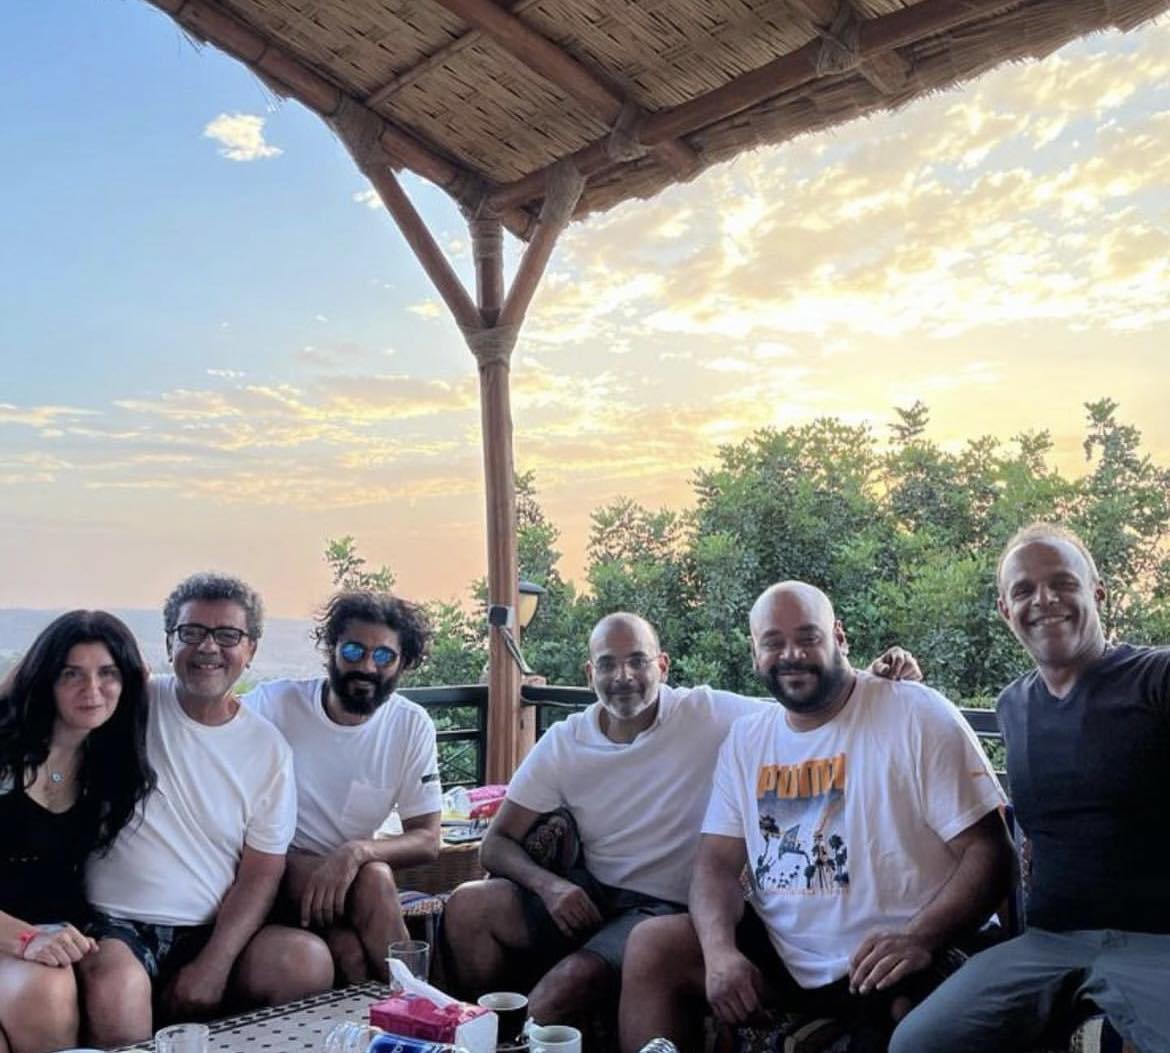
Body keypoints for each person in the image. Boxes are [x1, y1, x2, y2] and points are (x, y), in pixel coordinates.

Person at [444, 611, 922, 1028]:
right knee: (468, 907)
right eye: (608, 664)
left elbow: (802, 703)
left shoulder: (707, 713)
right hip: (590, 893)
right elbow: (496, 844)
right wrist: (550, 887)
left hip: (664, 908)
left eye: (638, 661)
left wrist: (871, 679)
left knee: (560, 989)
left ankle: (509, 1037)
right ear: (590, 673)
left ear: (663, 666)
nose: (623, 676)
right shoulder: (564, 743)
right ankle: (469, 1032)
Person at [620, 583, 1013, 1053]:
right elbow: (716, 864)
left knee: (909, 1018)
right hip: (784, 952)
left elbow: (991, 851)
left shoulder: (915, 714)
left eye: (808, 637)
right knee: (653, 947)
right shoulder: (747, 740)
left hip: (898, 951)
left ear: (839, 638)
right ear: (755, 653)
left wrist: (920, 938)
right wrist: (720, 953)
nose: (791, 654)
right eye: (773, 642)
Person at [891, 524, 1170, 1053]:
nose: (1044, 600)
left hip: (1156, 946)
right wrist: (897, 690)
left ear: (1097, 593)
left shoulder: (1155, 678)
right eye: (1024, 590)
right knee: (917, 1042)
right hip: (1046, 945)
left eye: (1063, 582)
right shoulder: (1012, 705)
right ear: (1005, 610)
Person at [80, 573, 334, 1046]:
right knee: (116, 986)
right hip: (116, 925)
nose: (208, 647)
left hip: (209, 929)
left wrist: (214, 964)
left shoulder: (267, 749)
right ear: (169, 642)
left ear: (251, 649)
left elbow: (261, 872)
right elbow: (40, 695)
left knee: (305, 962)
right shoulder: (129, 704)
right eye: (191, 632)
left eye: (228, 635)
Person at [243, 590, 442, 983]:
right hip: (274, 868)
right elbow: (211, 727)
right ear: (331, 649)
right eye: (353, 650)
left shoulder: (410, 725)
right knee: (375, 879)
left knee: (351, 956)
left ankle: (401, 1008)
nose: (367, 666)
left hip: (343, 886)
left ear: (402, 663)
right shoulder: (274, 704)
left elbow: (427, 839)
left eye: (383, 656)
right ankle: (422, 1004)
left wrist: (355, 852)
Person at [0, 610, 154, 1053]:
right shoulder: (6, 753)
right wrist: (26, 939)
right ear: (45, 680)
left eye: (107, 673)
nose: (92, 690)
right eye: (71, 674)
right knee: (45, 987)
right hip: (12, 936)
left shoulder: (107, 762)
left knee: (119, 981)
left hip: (65, 932)